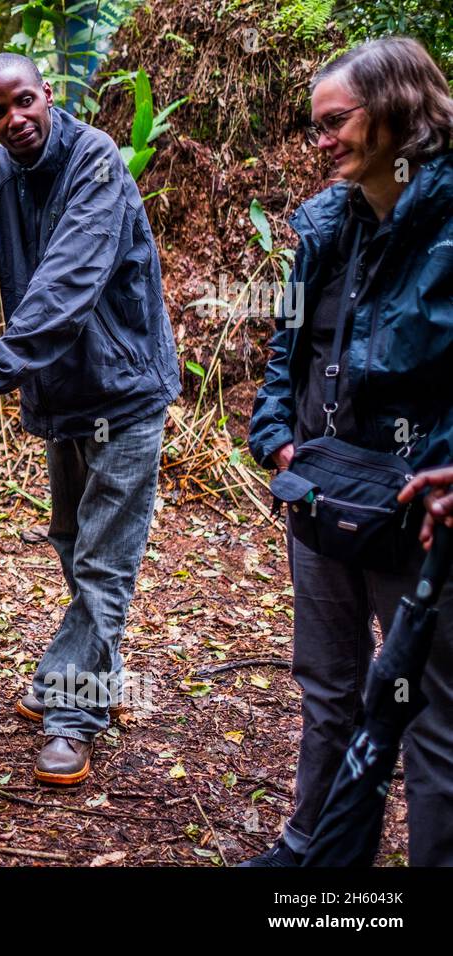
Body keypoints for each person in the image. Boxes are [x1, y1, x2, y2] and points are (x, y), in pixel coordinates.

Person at [0, 53, 180, 785]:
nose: (15, 120)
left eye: (25, 101)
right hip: (59, 398)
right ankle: (100, 672)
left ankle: (72, 714)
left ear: (47, 96)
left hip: (124, 392)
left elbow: (67, 284)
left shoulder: (95, 161)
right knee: (72, 543)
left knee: (103, 561)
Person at [245, 37, 453, 866]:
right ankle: (314, 852)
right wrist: (277, 438)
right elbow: (286, 341)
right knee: (327, 687)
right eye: (314, 126)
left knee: (434, 716)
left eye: (337, 122)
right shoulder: (327, 224)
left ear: (400, 111)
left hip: (422, 509)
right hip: (324, 495)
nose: (320, 140)